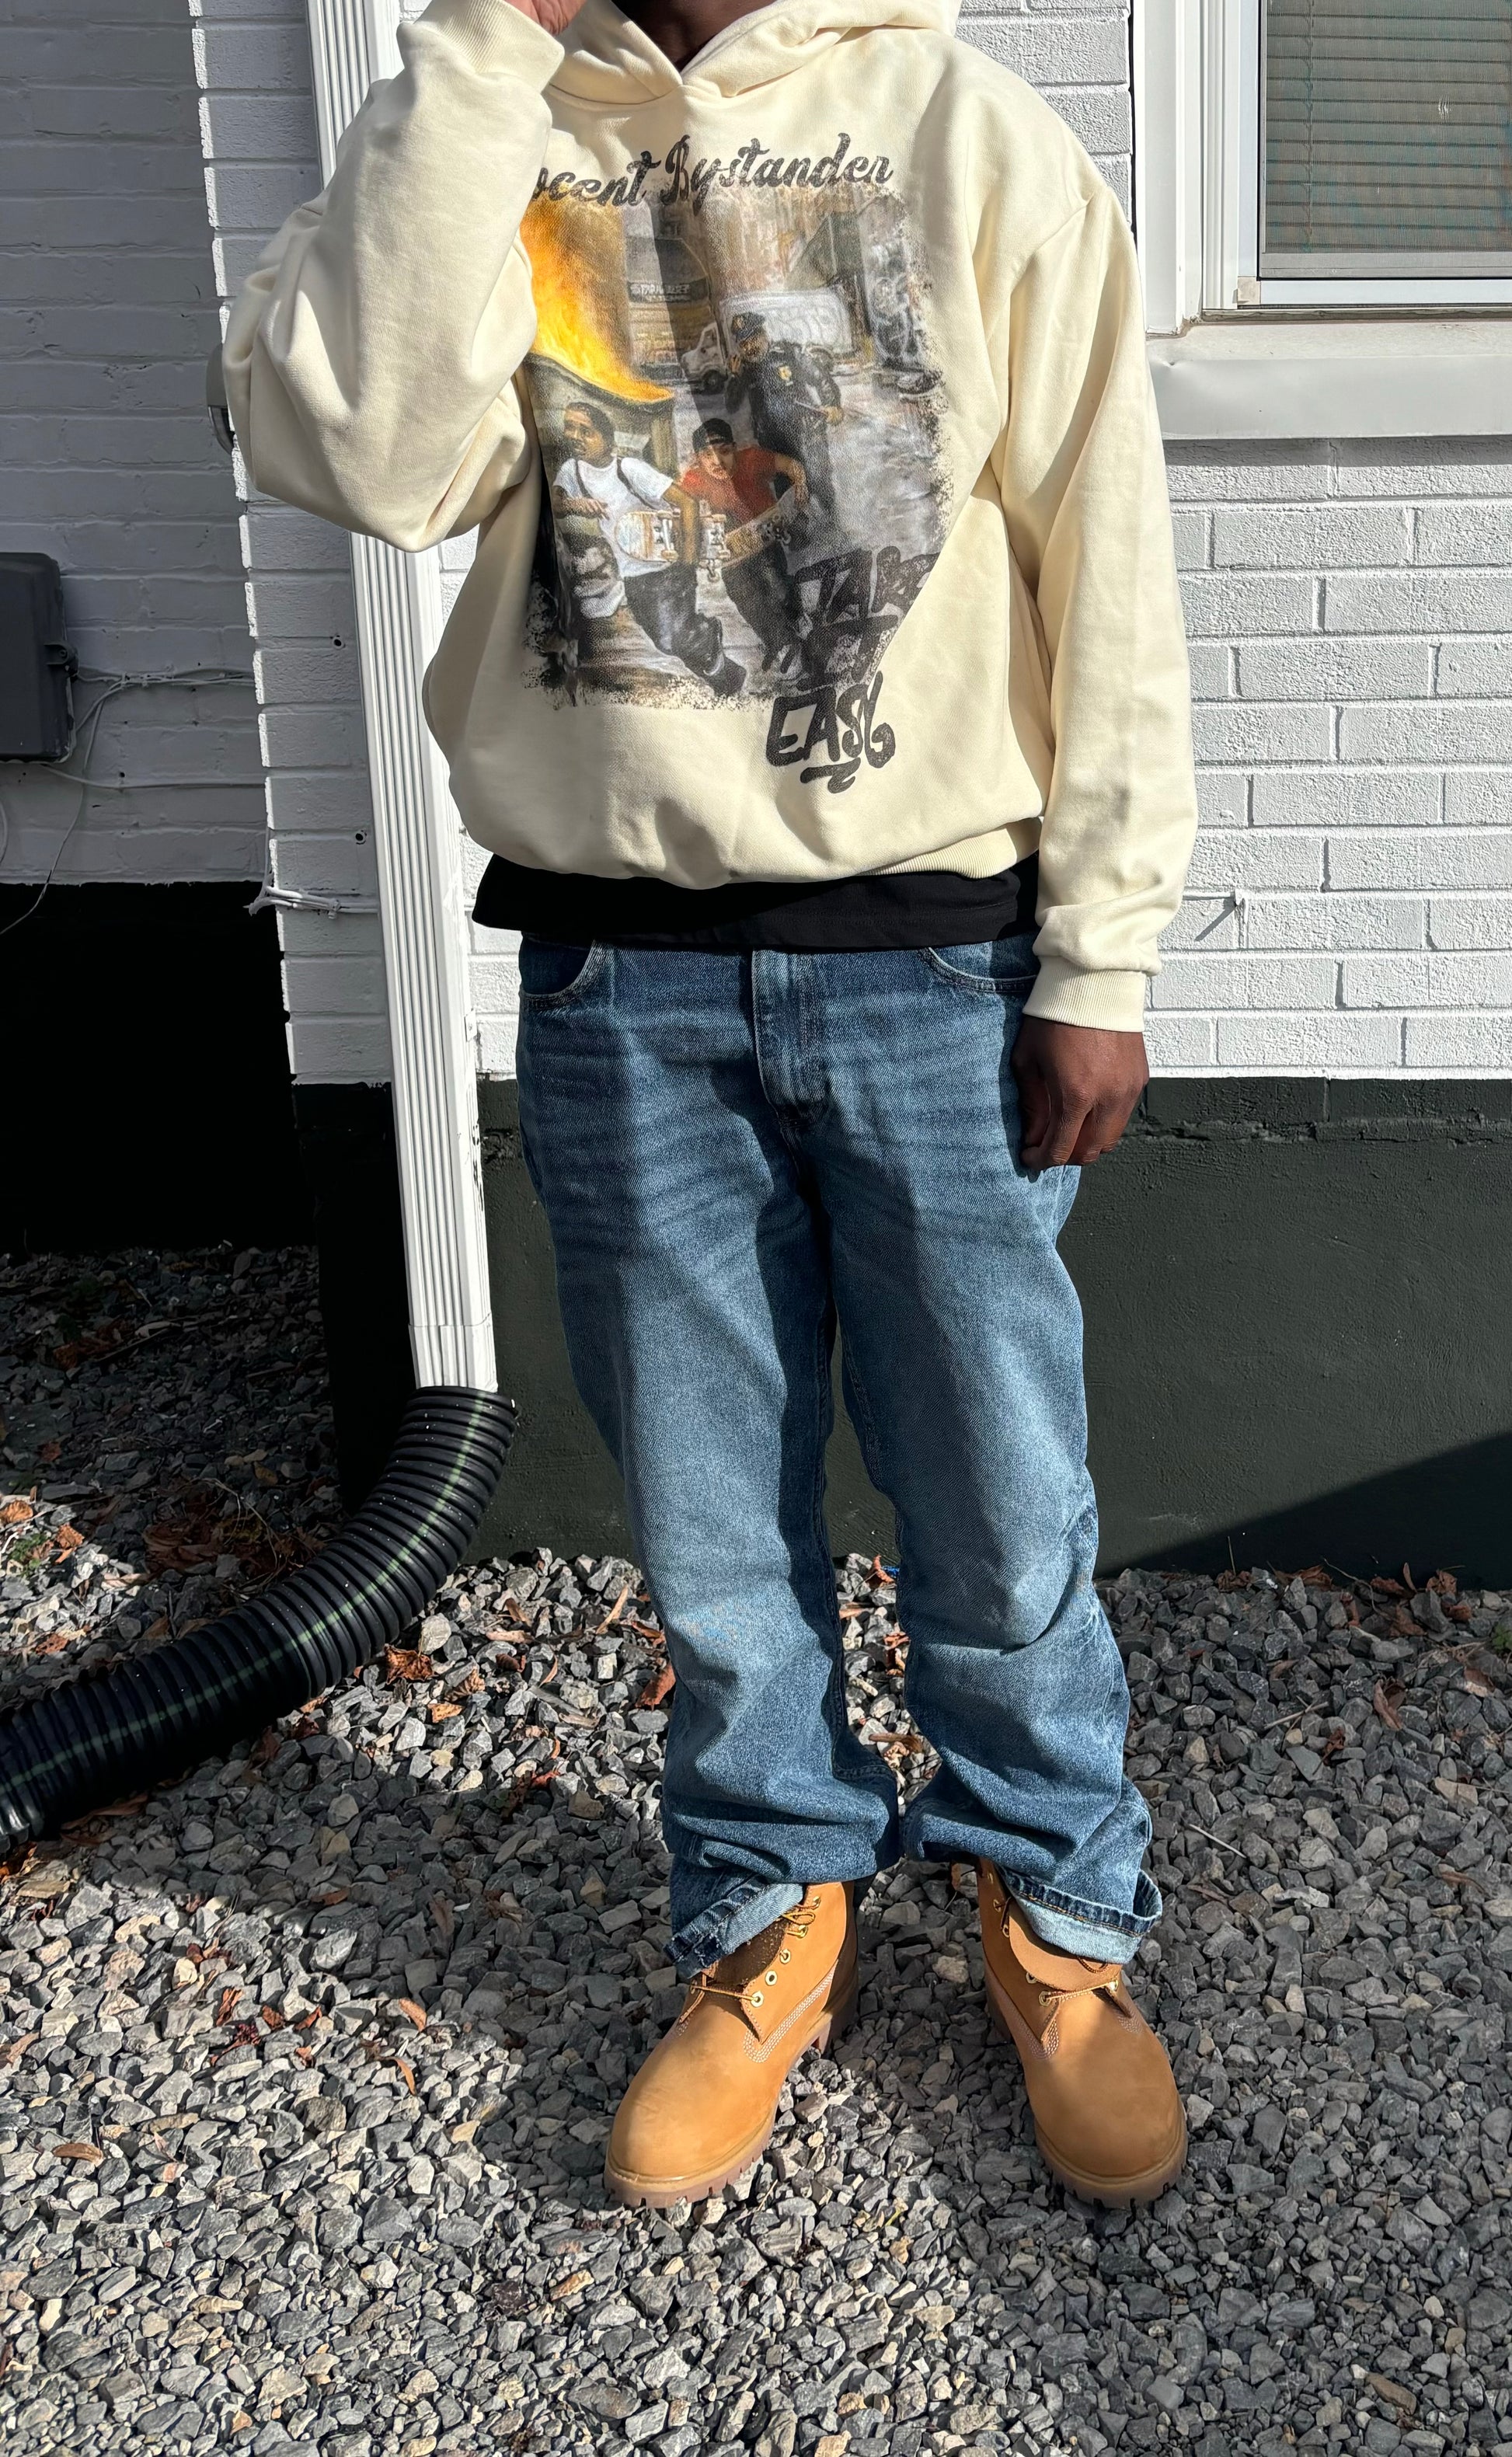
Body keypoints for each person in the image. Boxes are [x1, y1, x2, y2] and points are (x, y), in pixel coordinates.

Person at [225, 0, 1200, 2213]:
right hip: (622, 969)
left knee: (999, 1492)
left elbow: (1107, 557)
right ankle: (771, 1907)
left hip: (935, 958)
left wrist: (1103, 956)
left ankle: (1058, 1914)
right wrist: (476, 64)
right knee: (704, 1514)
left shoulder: (964, 130)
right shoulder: (490, 125)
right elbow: (366, 456)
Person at [552, 400, 745, 694]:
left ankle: (709, 634)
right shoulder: (571, 471)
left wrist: (687, 563)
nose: (575, 436)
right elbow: (556, 503)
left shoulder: (628, 469)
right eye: (570, 428)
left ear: (607, 439)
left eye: (586, 431)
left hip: (667, 565)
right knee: (664, 642)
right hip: (632, 572)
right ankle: (729, 678)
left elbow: (687, 503)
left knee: (673, 637)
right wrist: (573, 504)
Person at [678, 417, 807, 673]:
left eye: (724, 452)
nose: (717, 462)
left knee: (778, 589)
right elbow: (679, 506)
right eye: (707, 456)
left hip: (765, 536)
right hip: (731, 547)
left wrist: (800, 483)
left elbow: (791, 465)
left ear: (735, 449)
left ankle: (795, 621)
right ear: (697, 459)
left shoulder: (751, 459)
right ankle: (781, 643)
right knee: (743, 594)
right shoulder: (695, 478)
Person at [724, 310, 844, 518]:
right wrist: (734, 375)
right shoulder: (745, 370)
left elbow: (821, 378)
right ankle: (799, 528)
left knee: (819, 481)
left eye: (753, 340)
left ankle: (832, 521)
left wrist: (832, 405)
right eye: (744, 344)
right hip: (774, 442)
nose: (750, 348)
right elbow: (732, 404)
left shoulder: (789, 353)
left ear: (764, 335)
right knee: (787, 492)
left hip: (807, 433)